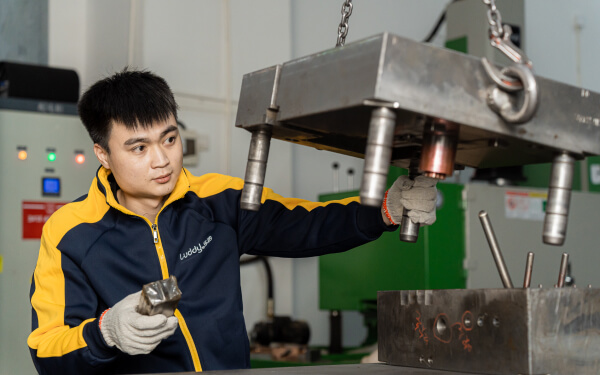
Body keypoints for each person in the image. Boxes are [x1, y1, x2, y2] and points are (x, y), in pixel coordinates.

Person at [27, 69, 437, 374]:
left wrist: (385, 209)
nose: (161, 160)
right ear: (103, 154)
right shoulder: (70, 233)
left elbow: (304, 225)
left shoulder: (218, 200)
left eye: (169, 139)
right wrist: (107, 333)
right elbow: (47, 351)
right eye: (138, 147)